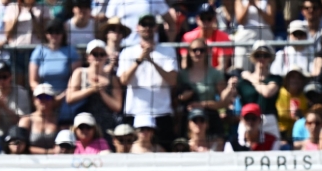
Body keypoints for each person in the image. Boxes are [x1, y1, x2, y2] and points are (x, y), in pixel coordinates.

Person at [117, 13, 178, 150]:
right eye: (144, 25)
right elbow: (124, 81)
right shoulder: (127, 52)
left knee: (164, 153)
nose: (148, 28)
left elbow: (172, 80)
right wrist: (139, 61)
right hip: (135, 112)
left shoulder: (168, 50)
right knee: (133, 154)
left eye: (151, 25)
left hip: (161, 112)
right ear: (137, 27)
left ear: (156, 27)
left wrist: (152, 61)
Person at [66, 40, 123, 139]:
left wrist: (102, 92)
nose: (98, 57)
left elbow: (117, 106)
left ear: (106, 57)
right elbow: (70, 98)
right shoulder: (80, 73)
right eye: (95, 54)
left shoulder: (112, 78)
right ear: (88, 57)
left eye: (102, 54)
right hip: (83, 124)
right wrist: (91, 90)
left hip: (106, 123)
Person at [178, 38, 234, 139]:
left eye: (202, 50)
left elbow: (223, 103)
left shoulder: (215, 74)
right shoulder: (182, 75)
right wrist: (182, 97)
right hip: (188, 120)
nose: (198, 53)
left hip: (210, 118)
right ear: (189, 52)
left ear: (207, 51)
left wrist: (202, 105)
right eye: (194, 50)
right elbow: (175, 100)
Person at [30, 20, 80, 121]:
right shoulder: (39, 51)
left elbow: (76, 79)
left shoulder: (71, 51)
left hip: (66, 97)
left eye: (58, 32)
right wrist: (47, 97)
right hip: (44, 97)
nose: (54, 35)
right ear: (46, 34)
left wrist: (61, 97)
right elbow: (33, 81)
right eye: (51, 32)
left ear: (63, 34)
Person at [239, 41, 283, 137]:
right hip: (248, 120)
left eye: (265, 55)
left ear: (270, 58)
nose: (261, 58)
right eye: (258, 55)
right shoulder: (242, 81)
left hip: (269, 120)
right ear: (253, 58)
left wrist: (250, 77)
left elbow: (267, 92)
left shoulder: (275, 78)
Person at [0, 61, 32, 148]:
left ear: (11, 76)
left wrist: (4, 106)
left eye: (4, 76)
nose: (2, 80)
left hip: (16, 135)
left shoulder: (21, 93)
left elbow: (21, 122)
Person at [182, 3, 233, 70]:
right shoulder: (187, 37)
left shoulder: (224, 38)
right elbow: (185, 65)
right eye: (203, 18)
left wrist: (209, 76)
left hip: (215, 76)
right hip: (194, 75)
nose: (206, 22)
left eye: (209, 18)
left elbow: (222, 66)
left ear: (214, 19)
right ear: (197, 19)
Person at [20, 83, 60, 153]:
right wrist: (48, 152)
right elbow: (20, 146)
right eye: (40, 97)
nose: (44, 100)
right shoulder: (26, 120)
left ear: (53, 100)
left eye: (47, 97)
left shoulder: (58, 120)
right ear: (34, 100)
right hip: (30, 161)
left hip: (55, 161)